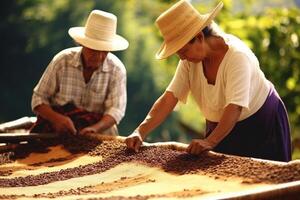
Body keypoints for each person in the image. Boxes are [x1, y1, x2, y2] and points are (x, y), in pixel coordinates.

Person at [125, 0, 291, 162]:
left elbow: (235, 106)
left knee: (265, 183)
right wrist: (141, 131)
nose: (181, 57)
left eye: (183, 50)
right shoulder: (189, 61)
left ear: (199, 37)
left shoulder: (237, 57)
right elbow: (169, 98)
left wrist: (210, 141)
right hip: (221, 128)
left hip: (260, 123)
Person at [30, 10, 128, 136]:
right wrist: (57, 119)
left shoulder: (117, 69)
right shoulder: (62, 61)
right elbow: (38, 99)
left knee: (110, 137)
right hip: (57, 126)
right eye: (94, 49)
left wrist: (95, 128)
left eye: (104, 51)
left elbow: (116, 111)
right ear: (82, 44)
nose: (98, 56)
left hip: (97, 128)